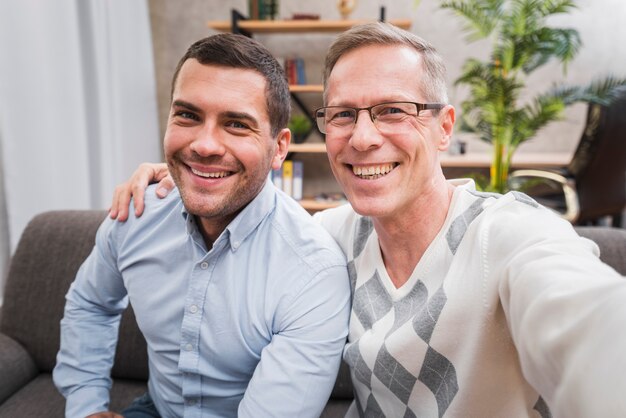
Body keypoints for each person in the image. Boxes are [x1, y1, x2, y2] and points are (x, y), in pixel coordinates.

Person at [111, 23, 626, 417]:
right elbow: (237, 245)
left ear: (443, 126)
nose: (361, 138)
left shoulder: (507, 235)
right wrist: (193, 175)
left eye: (392, 111)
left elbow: (587, 321)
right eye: (342, 114)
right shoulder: (328, 238)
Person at [53, 33, 351, 418]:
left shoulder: (314, 272)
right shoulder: (137, 215)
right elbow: (90, 303)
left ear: (279, 147)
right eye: (188, 116)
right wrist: (86, 406)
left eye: (236, 124)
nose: (205, 145)